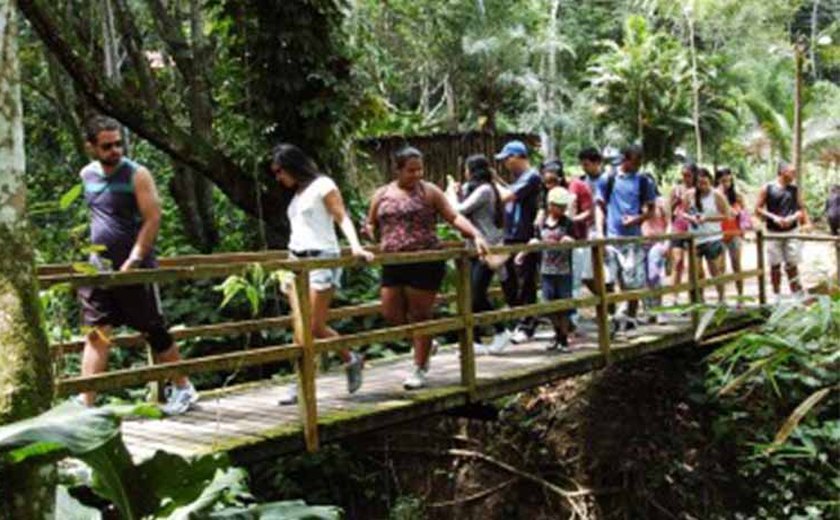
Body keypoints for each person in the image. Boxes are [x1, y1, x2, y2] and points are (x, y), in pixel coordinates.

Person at [76, 116, 197, 414]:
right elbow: (97, 217)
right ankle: (85, 403)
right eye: (107, 146)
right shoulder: (87, 175)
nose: (115, 150)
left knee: (151, 328)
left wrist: (135, 257)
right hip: (99, 267)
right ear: (91, 147)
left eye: (118, 144)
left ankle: (183, 388)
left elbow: (153, 217)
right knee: (98, 330)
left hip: (134, 265)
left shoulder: (137, 175)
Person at [366, 147, 489, 390]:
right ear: (398, 169)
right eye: (411, 170)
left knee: (421, 315)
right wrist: (368, 231)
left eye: (419, 169)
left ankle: (419, 368)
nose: (417, 174)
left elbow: (453, 217)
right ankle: (424, 341)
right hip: (393, 261)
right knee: (391, 313)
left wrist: (476, 235)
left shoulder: (429, 191)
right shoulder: (382, 194)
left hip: (426, 260)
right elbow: (371, 222)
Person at [272, 144, 374, 405]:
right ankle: (301, 382)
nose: (278, 178)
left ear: (293, 167)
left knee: (314, 325)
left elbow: (342, 217)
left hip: (322, 258)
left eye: (280, 171)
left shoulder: (323, 185)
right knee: (299, 327)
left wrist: (356, 247)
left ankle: (350, 359)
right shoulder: (296, 196)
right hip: (295, 261)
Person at [449, 155, 510, 354]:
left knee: (477, 293)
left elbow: (459, 210)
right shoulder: (475, 188)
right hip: (473, 248)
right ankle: (473, 340)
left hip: (487, 247)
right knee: (470, 295)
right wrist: (458, 192)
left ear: (472, 170)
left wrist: (449, 194)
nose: (465, 173)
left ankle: (501, 331)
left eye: (467, 169)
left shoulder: (485, 189)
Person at [594, 144, 657, 332]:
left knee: (633, 282)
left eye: (640, 162)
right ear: (626, 159)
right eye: (635, 161)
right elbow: (599, 205)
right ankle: (611, 317)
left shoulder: (644, 181)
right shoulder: (609, 179)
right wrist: (600, 232)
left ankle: (630, 317)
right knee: (608, 280)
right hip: (612, 238)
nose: (638, 165)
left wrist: (636, 219)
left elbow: (650, 211)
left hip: (632, 239)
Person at [494, 140, 542, 346]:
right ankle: (520, 318)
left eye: (507, 159)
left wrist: (489, 182)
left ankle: (527, 325)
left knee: (525, 282)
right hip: (509, 236)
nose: (505, 163)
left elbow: (507, 197)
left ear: (517, 157)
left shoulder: (532, 177)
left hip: (525, 237)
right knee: (508, 281)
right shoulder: (517, 179)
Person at [518, 187, 576, 351]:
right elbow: (534, 240)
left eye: (564, 206)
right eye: (558, 206)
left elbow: (574, 239)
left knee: (564, 306)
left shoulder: (568, 223)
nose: (562, 209)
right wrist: (522, 254)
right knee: (549, 306)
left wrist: (569, 240)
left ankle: (563, 340)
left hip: (564, 271)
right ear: (550, 205)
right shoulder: (541, 223)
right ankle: (557, 335)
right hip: (546, 270)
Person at [541, 159, 594, 332]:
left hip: (575, 242)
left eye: (553, 181)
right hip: (551, 257)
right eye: (546, 181)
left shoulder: (576, 187)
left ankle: (572, 323)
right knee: (552, 295)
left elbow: (589, 211)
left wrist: (571, 221)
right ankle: (564, 327)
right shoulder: (546, 197)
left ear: (560, 177)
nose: (549, 185)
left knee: (575, 283)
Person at [755, 162, 805, 299]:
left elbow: (801, 209)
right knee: (775, 265)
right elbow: (758, 208)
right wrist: (774, 217)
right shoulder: (768, 188)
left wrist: (792, 217)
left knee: (792, 264)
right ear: (782, 172)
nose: (794, 175)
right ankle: (776, 295)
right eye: (791, 172)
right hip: (773, 232)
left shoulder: (794, 189)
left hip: (791, 231)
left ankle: (797, 296)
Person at [681, 168, 731, 303]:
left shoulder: (717, 195)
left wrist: (707, 218)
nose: (702, 186)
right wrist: (691, 218)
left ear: (710, 181)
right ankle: (699, 299)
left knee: (715, 271)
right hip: (695, 238)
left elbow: (727, 215)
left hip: (712, 237)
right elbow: (682, 212)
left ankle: (721, 298)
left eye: (705, 183)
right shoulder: (689, 195)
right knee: (696, 272)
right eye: (699, 183)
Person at [577, 147, 616, 314]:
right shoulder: (580, 181)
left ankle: (611, 311)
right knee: (585, 274)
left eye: (587, 164)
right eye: (582, 164)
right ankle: (607, 302)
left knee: (608, 273)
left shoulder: (610, 180)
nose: (584, 168)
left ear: (597, 163)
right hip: (587, 230)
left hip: (607, 229)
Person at [715, 167, 747, 299]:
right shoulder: (713, 196)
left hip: (734, 233)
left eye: (729, 181)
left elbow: (744, 214)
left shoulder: (737, 196)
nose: (726, 184)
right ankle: (721, 298)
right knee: (720, 267)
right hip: (719, 234)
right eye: (723, 181)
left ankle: (740, 296)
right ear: (718, 180)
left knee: (737, 265)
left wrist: (742, 230)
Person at [669, 163, 698, 303]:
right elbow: (670, 209)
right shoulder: (677, 189)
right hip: (678, 228)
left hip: (693, 229)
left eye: (688, 175)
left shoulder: (699, 189)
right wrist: (677, 200)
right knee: (677, 262)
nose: (685, 178)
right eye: (683, 175)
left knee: (694, 263)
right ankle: (675, 296)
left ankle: (693, 296)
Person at [642, 194, 668, 322]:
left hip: (657, 243)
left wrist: (667, 243)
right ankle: (648, 310)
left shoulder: (660, 202)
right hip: (640, 243)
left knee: (655, 276)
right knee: (643, 279)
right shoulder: (636, 201)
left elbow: (669, 223)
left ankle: (659, 310)